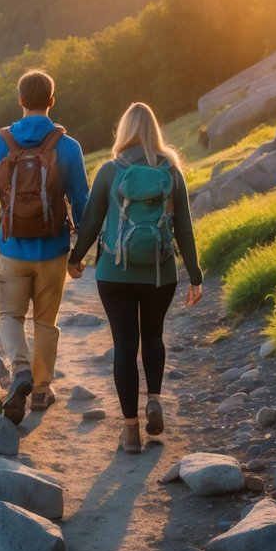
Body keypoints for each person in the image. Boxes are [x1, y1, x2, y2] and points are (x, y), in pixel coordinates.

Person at [68, 102, 203, 454]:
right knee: (154, 335)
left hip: (114, 274)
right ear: (155, 130)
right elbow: (185, 230)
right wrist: (195, 275)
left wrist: (75, 259)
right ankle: (154, 400)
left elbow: (92, 222)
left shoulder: (111, 171)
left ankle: (130, 431)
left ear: (124, 131)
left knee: (125, 347)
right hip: (160, 272)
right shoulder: (171, 170)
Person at [0, 69, 89, 424]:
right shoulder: (67, 146)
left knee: (9, 315)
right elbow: (81, 200)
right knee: (45, 321)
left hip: (10, 251)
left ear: (20, 100)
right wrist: (79, 251)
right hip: (53, 251)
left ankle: (20, 370)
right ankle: (40, 390)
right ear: (52, 101)